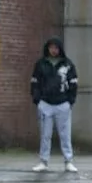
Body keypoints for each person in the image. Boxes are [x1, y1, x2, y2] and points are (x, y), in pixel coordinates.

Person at [30, 37, 79, 173]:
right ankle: (43, 161)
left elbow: (74, 83)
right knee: (45, 135)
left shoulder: (68, 64)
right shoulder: (41, 64)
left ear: (60, 49)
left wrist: (70, 101)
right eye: (51, 47)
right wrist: (37, 100)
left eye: (56, 48)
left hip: (63, 103)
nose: (53, 50)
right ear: (48, 48)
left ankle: (68, 161)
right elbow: (35, 82)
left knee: (65, 134)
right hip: (45, 104)